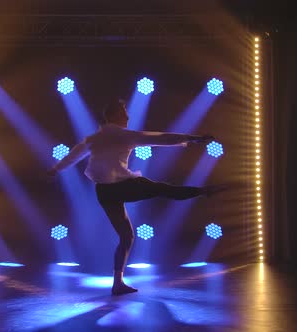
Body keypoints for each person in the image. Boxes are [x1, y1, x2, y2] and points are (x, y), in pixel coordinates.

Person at [47, 99, 223, 295]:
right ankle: (202, 191)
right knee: (162, 189)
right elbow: (160, 138)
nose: (128, 116)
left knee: (127, 236)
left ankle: (117, 283)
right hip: (123, 186)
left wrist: (55, 169)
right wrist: (193, 138)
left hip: (104, 192)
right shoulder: (123, 135)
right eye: (124, 111)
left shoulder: (93, 138)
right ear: (113, 115)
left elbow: (73, 156)